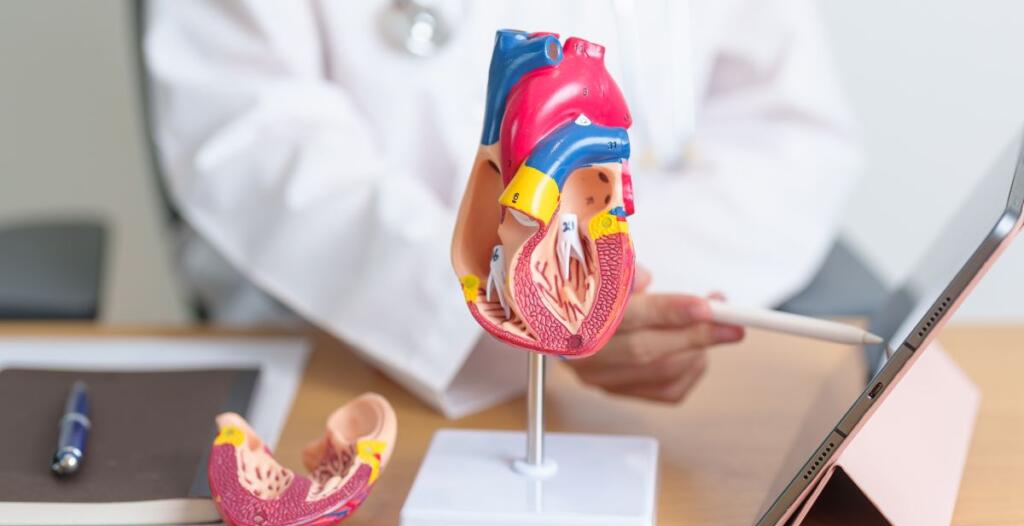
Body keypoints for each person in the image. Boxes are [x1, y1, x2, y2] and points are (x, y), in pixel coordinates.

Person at [143, 0, 861, 414]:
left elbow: (784, 122)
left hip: (678, 357)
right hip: (369, 342)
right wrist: (513, 297)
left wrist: (620, 293)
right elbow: (251, 131)